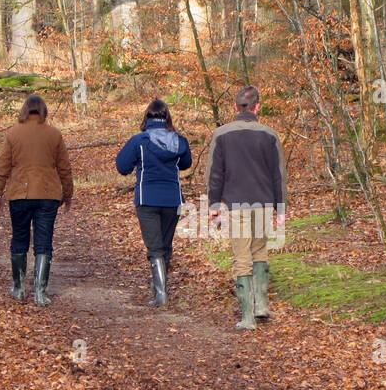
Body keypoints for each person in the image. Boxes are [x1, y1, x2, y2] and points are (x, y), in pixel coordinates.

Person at [206, 85, 286, 330]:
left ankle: (248, 317)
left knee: (242, 257)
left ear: (235, 107)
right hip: (263, 204)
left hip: (237, 204)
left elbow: (215, 174)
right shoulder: (269, 135)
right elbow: (278, 175)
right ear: (257, 107)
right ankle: (261, 305)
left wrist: (214, 205)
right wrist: (280, 208)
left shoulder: (222, 134)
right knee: (260, 251)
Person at [0, 94, 74, 306]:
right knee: (43, 241)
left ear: (25, 110)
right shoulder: (54, 134)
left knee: (19, 237)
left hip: (20, 194)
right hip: (48, 195)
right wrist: (68, 194)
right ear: (43, 111)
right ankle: (40, 292)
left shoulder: (13, 133)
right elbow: (64, 168)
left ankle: (19, 288)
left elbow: (3, 167)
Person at [115, 99, 192, 306]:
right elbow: (186, 164)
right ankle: (160, 289)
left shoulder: (139, 141)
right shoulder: (179, 140)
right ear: (167, 118)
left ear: (146, 118)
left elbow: (122, 166)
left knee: (155, 247)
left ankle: (161, 294)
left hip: (147, 198)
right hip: (172, 198)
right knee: (165, 244)